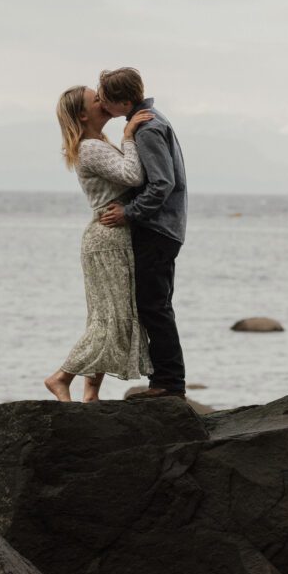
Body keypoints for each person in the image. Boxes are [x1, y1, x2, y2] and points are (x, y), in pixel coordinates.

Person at [44, 85, 154, 402]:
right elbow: (132, 176)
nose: (103, 101)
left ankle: (91, 393)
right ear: (83, 115)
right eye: (96, 100)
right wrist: (129, 136)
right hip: (107, 239)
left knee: (110, 315)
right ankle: (60, 377)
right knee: (110, 318)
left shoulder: (97, 143)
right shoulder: (91, 147)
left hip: (112, 237)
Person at [97, 67, 187, 399]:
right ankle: (166, 381)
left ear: (122, 101)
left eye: (105, 98)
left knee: (153, 306)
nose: (101, 104)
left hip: (157, 229)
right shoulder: (150, 121)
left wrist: (129, 212)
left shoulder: (148, 128)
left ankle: (169, 384)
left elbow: (162, 183)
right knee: (156, 304)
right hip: (165, 228)